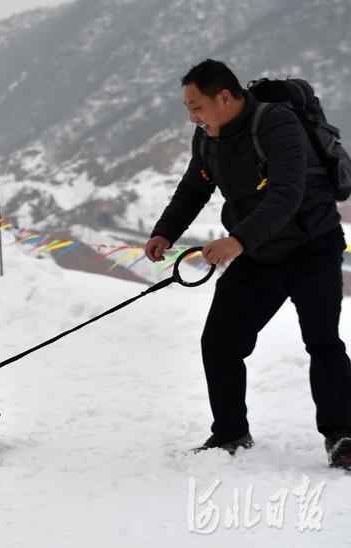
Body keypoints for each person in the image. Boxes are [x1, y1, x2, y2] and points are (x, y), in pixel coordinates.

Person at [144, 59, 351, 469]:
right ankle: (230, 433)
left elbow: (286, 195)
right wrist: (163, 232)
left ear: (225, 97)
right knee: (219, 342)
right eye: (188, 108)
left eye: (197, 106)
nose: (192, 117)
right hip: (259, 255)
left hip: (313, 246)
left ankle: (342, 436)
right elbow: (193, 188)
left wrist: (237, 240)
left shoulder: (276, 124)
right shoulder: (208, 138)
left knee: (322, 342)